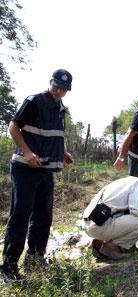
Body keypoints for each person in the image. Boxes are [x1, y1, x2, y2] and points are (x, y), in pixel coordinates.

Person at [1, 69, 74, 283]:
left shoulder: (60, 109)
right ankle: (9, 265)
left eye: (64, 89)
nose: (59, 91)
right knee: (21, 215)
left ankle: (35, 260)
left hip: (45, 169)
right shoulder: (34, 101)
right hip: (25, 168)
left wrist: (63, 153)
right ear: (50, 82)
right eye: (57, 86)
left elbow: (49, 137)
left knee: (44, 216)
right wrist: (26, 151)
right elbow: (13, 127)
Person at [83, 174, 138, 260]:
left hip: (89, 223)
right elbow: (137, 211)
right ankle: (111, 247)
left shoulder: (128, 181)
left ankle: (101, 242)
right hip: (98, 226)